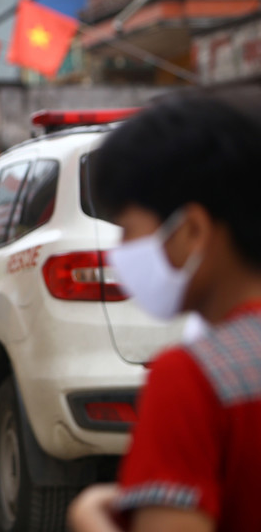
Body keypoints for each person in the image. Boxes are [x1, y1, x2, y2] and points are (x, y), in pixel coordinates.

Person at [66, 90, 261, 532]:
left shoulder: (194, 379)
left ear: (191, 231)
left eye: (129, 229)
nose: (121, 252)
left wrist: (90, 521)